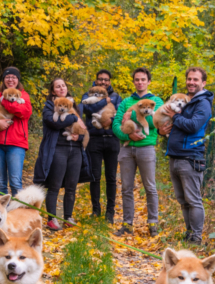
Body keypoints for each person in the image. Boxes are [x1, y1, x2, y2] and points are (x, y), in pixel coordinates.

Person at [158, 67, 213, 244]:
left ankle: (196, 237)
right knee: (183, 201)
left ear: (203, 83)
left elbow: (193, 126)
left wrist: (174, 116)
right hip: (175, 157)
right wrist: (162, 131)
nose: (191, 82)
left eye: (196, 80)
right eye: (189, 79)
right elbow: (176, 128)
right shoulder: (187, 101)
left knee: (193, 200)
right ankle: (189, 234)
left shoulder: (202, 103)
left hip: (190, 158)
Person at [33, 78, 92, 231]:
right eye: (57, 87)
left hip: (75, 149)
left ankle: (68, 217)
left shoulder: (74, 105)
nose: (61, 88)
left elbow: (82, 129)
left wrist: (78, 137)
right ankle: (52, 219)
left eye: (63, 85)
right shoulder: (49, 106)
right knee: (55, 185)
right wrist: (72, 117)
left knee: (71, 186)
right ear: (53, 91)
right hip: (58, 148)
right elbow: (54, 123)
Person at [112, 67, 164, 237]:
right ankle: (127, 224)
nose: (140, 82)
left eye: (143, 79)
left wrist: (131, 116)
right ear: (133, 81)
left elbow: (157, 121)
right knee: (126, 187)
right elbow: (116, 124)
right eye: (137, 80)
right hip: (127, 148)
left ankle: (153, 224)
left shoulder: (157, 101)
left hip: (146, 147)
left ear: (149, 81)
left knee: (150, 187)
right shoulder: (126, 101)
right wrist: (128, 134)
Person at [0, 67, 32, 196]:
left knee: (15, 182)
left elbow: (24, 113)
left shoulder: (23, 96)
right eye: (7, 77)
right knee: (0, 183)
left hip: (16, 144)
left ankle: (18, 213)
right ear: (3, 80)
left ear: (18, 80)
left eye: (14, 77)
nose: (10, 79)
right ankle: (3, 215)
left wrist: (5, 101)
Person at [81, 69, 122, 224]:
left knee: (111, 177)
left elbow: (119, 114)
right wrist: (105, 102)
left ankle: (110, 212)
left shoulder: (117, 96)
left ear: (109, 82)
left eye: (106, 80)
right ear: (96, 80)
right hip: (94, 140)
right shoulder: (88, 94)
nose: (103, 82)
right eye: (100, 79)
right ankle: (96, 210)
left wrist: (109, 118)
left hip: (112, 139)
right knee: (95, 176)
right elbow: (88, 109)